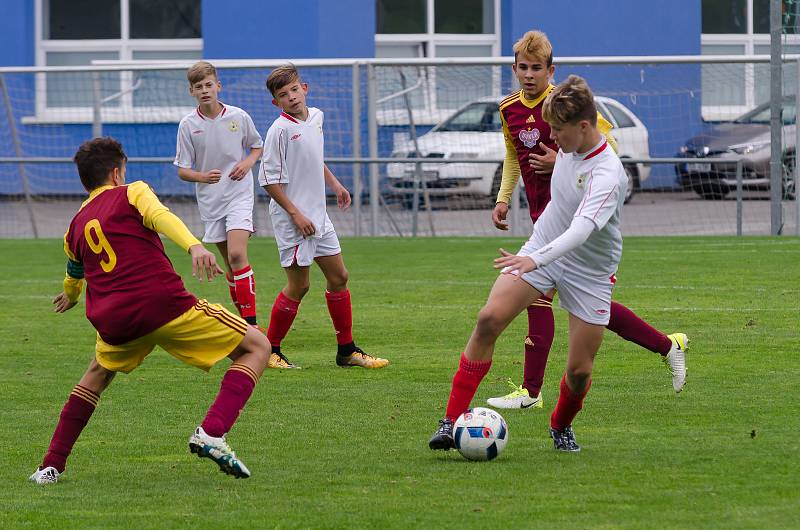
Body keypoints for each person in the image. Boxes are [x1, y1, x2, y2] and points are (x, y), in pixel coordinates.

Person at [30, 137, 270, 485]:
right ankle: (212, 432)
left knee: (96, 374)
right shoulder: (133, 191)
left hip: (114, 320)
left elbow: (74, 270)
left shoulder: (75, 225)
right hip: (161, 305)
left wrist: (71, 295)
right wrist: (194, 246)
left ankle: (50, 466)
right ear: (116, 173)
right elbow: (159, 216)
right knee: (257, 347)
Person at [430, 75, 647, 452]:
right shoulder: (569, 142)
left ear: (584, 126)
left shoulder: (608, 175)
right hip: (544, 246)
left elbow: (580, 231)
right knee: (488, 320)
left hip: (588, 271)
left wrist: (534, 258)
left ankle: (560, 425)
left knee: (579, 373)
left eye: (558, 131)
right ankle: (450, 422)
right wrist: (535, 249)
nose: (552, 137)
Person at [486, 31, 687, 410]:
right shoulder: (508, 108)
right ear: (514, 70)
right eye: (523, 68)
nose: (529, 75)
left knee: (558, 301)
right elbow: (513, 156)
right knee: (576, 305)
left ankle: (531, 393)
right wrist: (503, 197)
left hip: (581, 223)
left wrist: (559, 160)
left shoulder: (567, 105)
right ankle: (666, 345)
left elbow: (604, 147)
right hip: (545, 219)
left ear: (551, 70)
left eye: (536, 68)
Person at [258, 64, 389, 369]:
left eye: (293, 89)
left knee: (339, 277)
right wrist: (295, 214)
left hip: (318, 215)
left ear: (304, 88)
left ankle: (347, 351)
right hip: (294, 219)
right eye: (283, 95)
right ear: (276, 102)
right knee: (299, 285)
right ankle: (270, 350)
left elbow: (314, 158)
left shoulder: (316, 117)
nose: (291, 97)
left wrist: (334, 183)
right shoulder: (278, 130)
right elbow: (268, 180)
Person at [174, 61, 269, 349]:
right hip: (211, 201)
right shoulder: (188, 125)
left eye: (208, 84)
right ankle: (244, 324)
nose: (205, 90)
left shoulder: (238, 116)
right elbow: (182, 169)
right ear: (192, 92)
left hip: (239, 194)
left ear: (218, 86)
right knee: (231, 265)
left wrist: (247, 162)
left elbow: (257, 146)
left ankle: (251, 325)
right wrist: (201, 176)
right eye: (198, 87)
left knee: (239, 255)